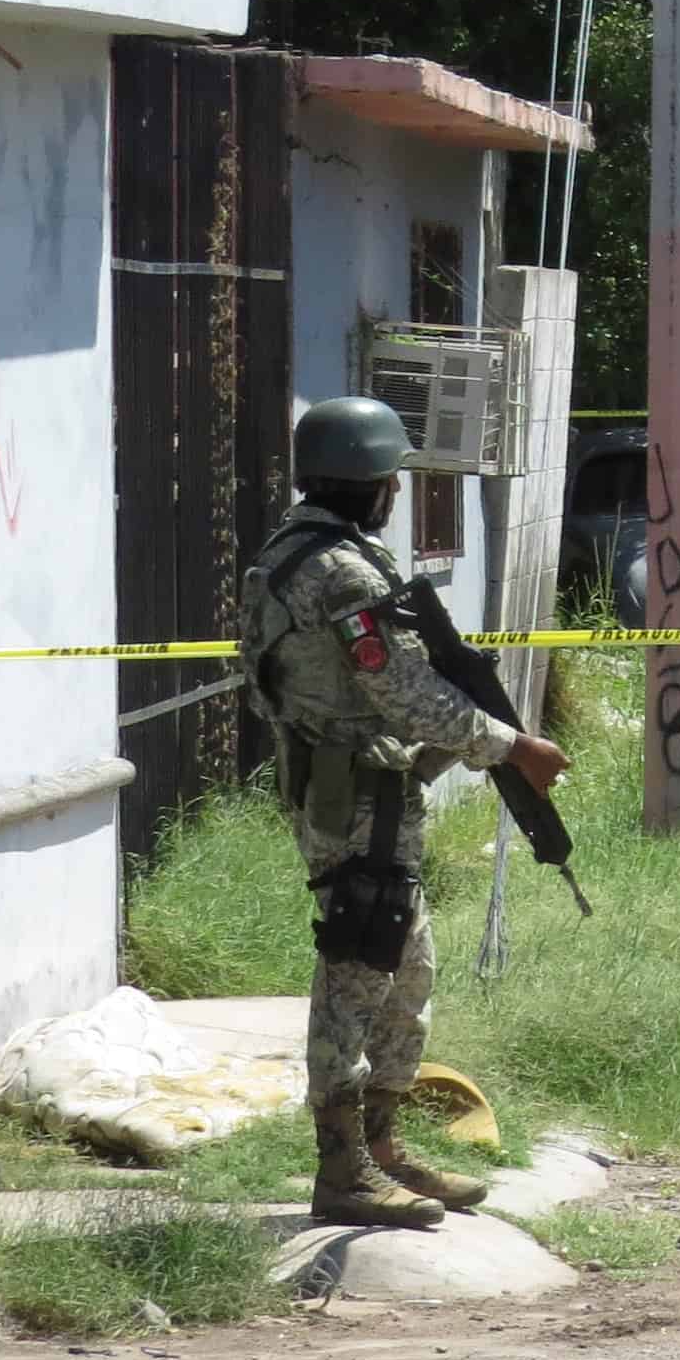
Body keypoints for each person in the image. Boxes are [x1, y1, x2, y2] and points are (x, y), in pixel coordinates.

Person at [242, 397, 573, 1228]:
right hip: (351, 793)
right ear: (372, 481)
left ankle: (384, 1149)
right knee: (358, 968)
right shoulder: (342, 573)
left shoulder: (296, 555)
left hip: (367, 785)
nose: (395, 491)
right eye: (391, 477)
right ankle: (342, 1168)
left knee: (406, 966)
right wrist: (511, 747)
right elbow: (406, 691)